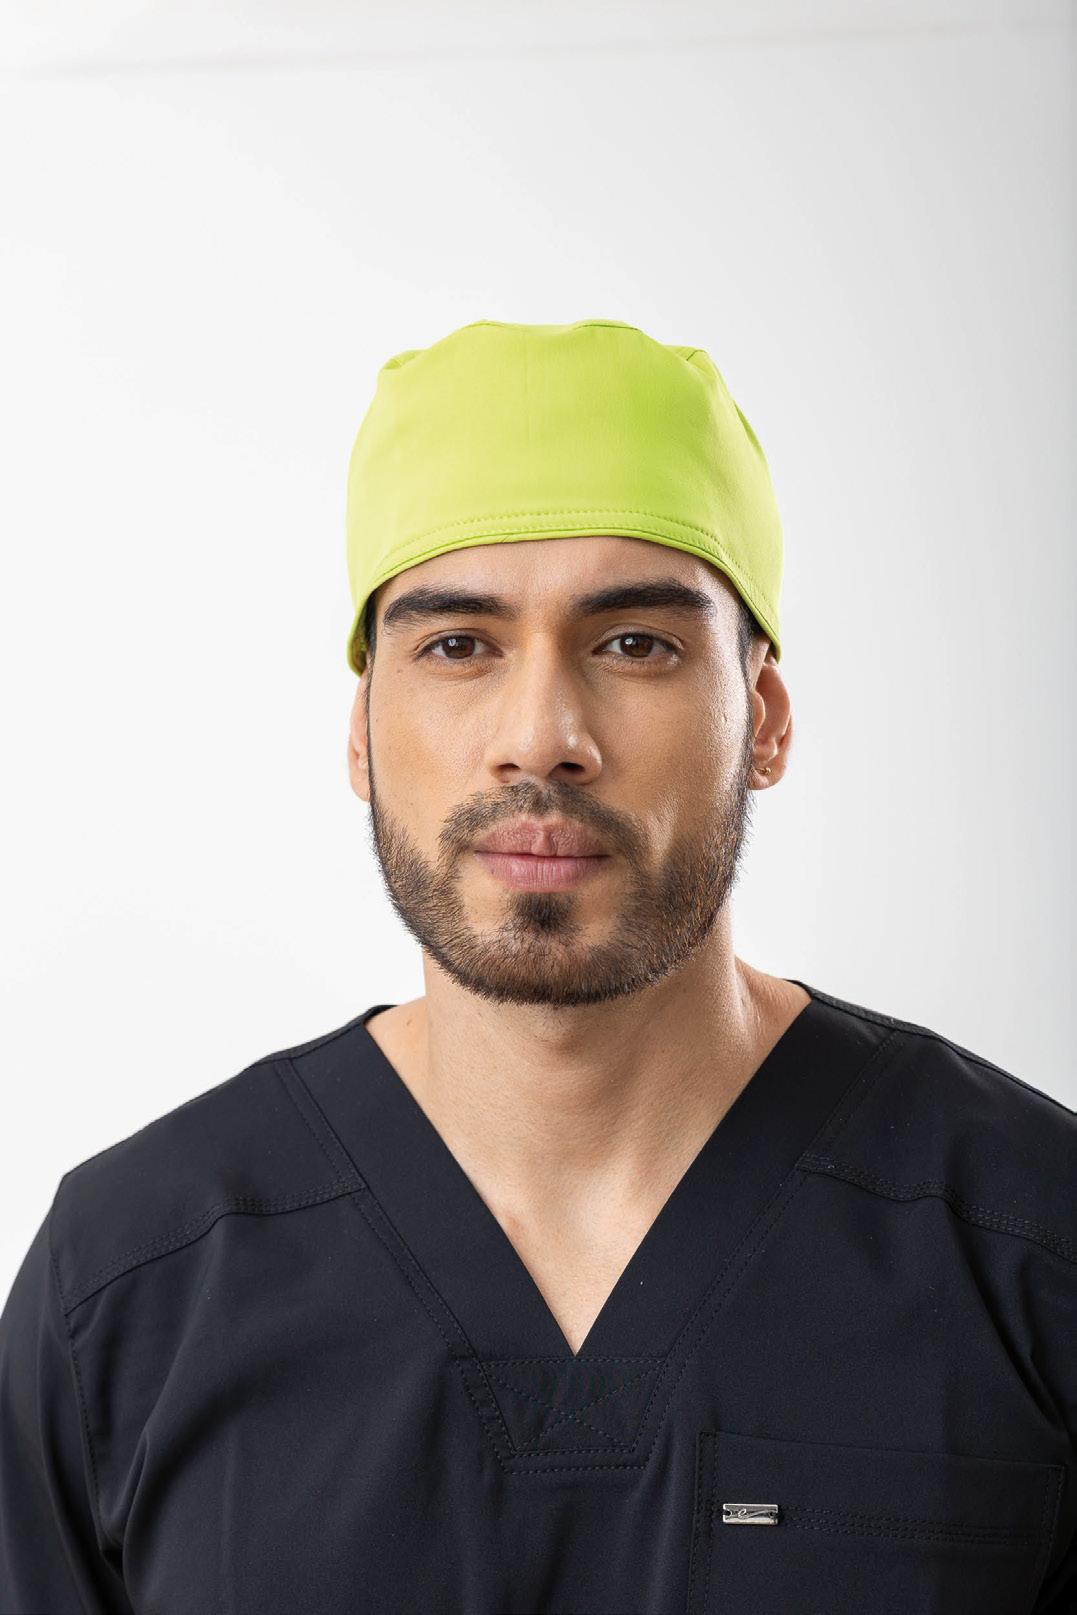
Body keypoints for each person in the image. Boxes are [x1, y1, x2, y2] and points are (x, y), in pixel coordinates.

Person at [0, 319, 1073, 1614]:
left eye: (634, 645)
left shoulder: (1031, 1247)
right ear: (361, 734)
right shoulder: (132, 1283)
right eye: (459, 645)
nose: (541, 736)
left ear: (765, 719)